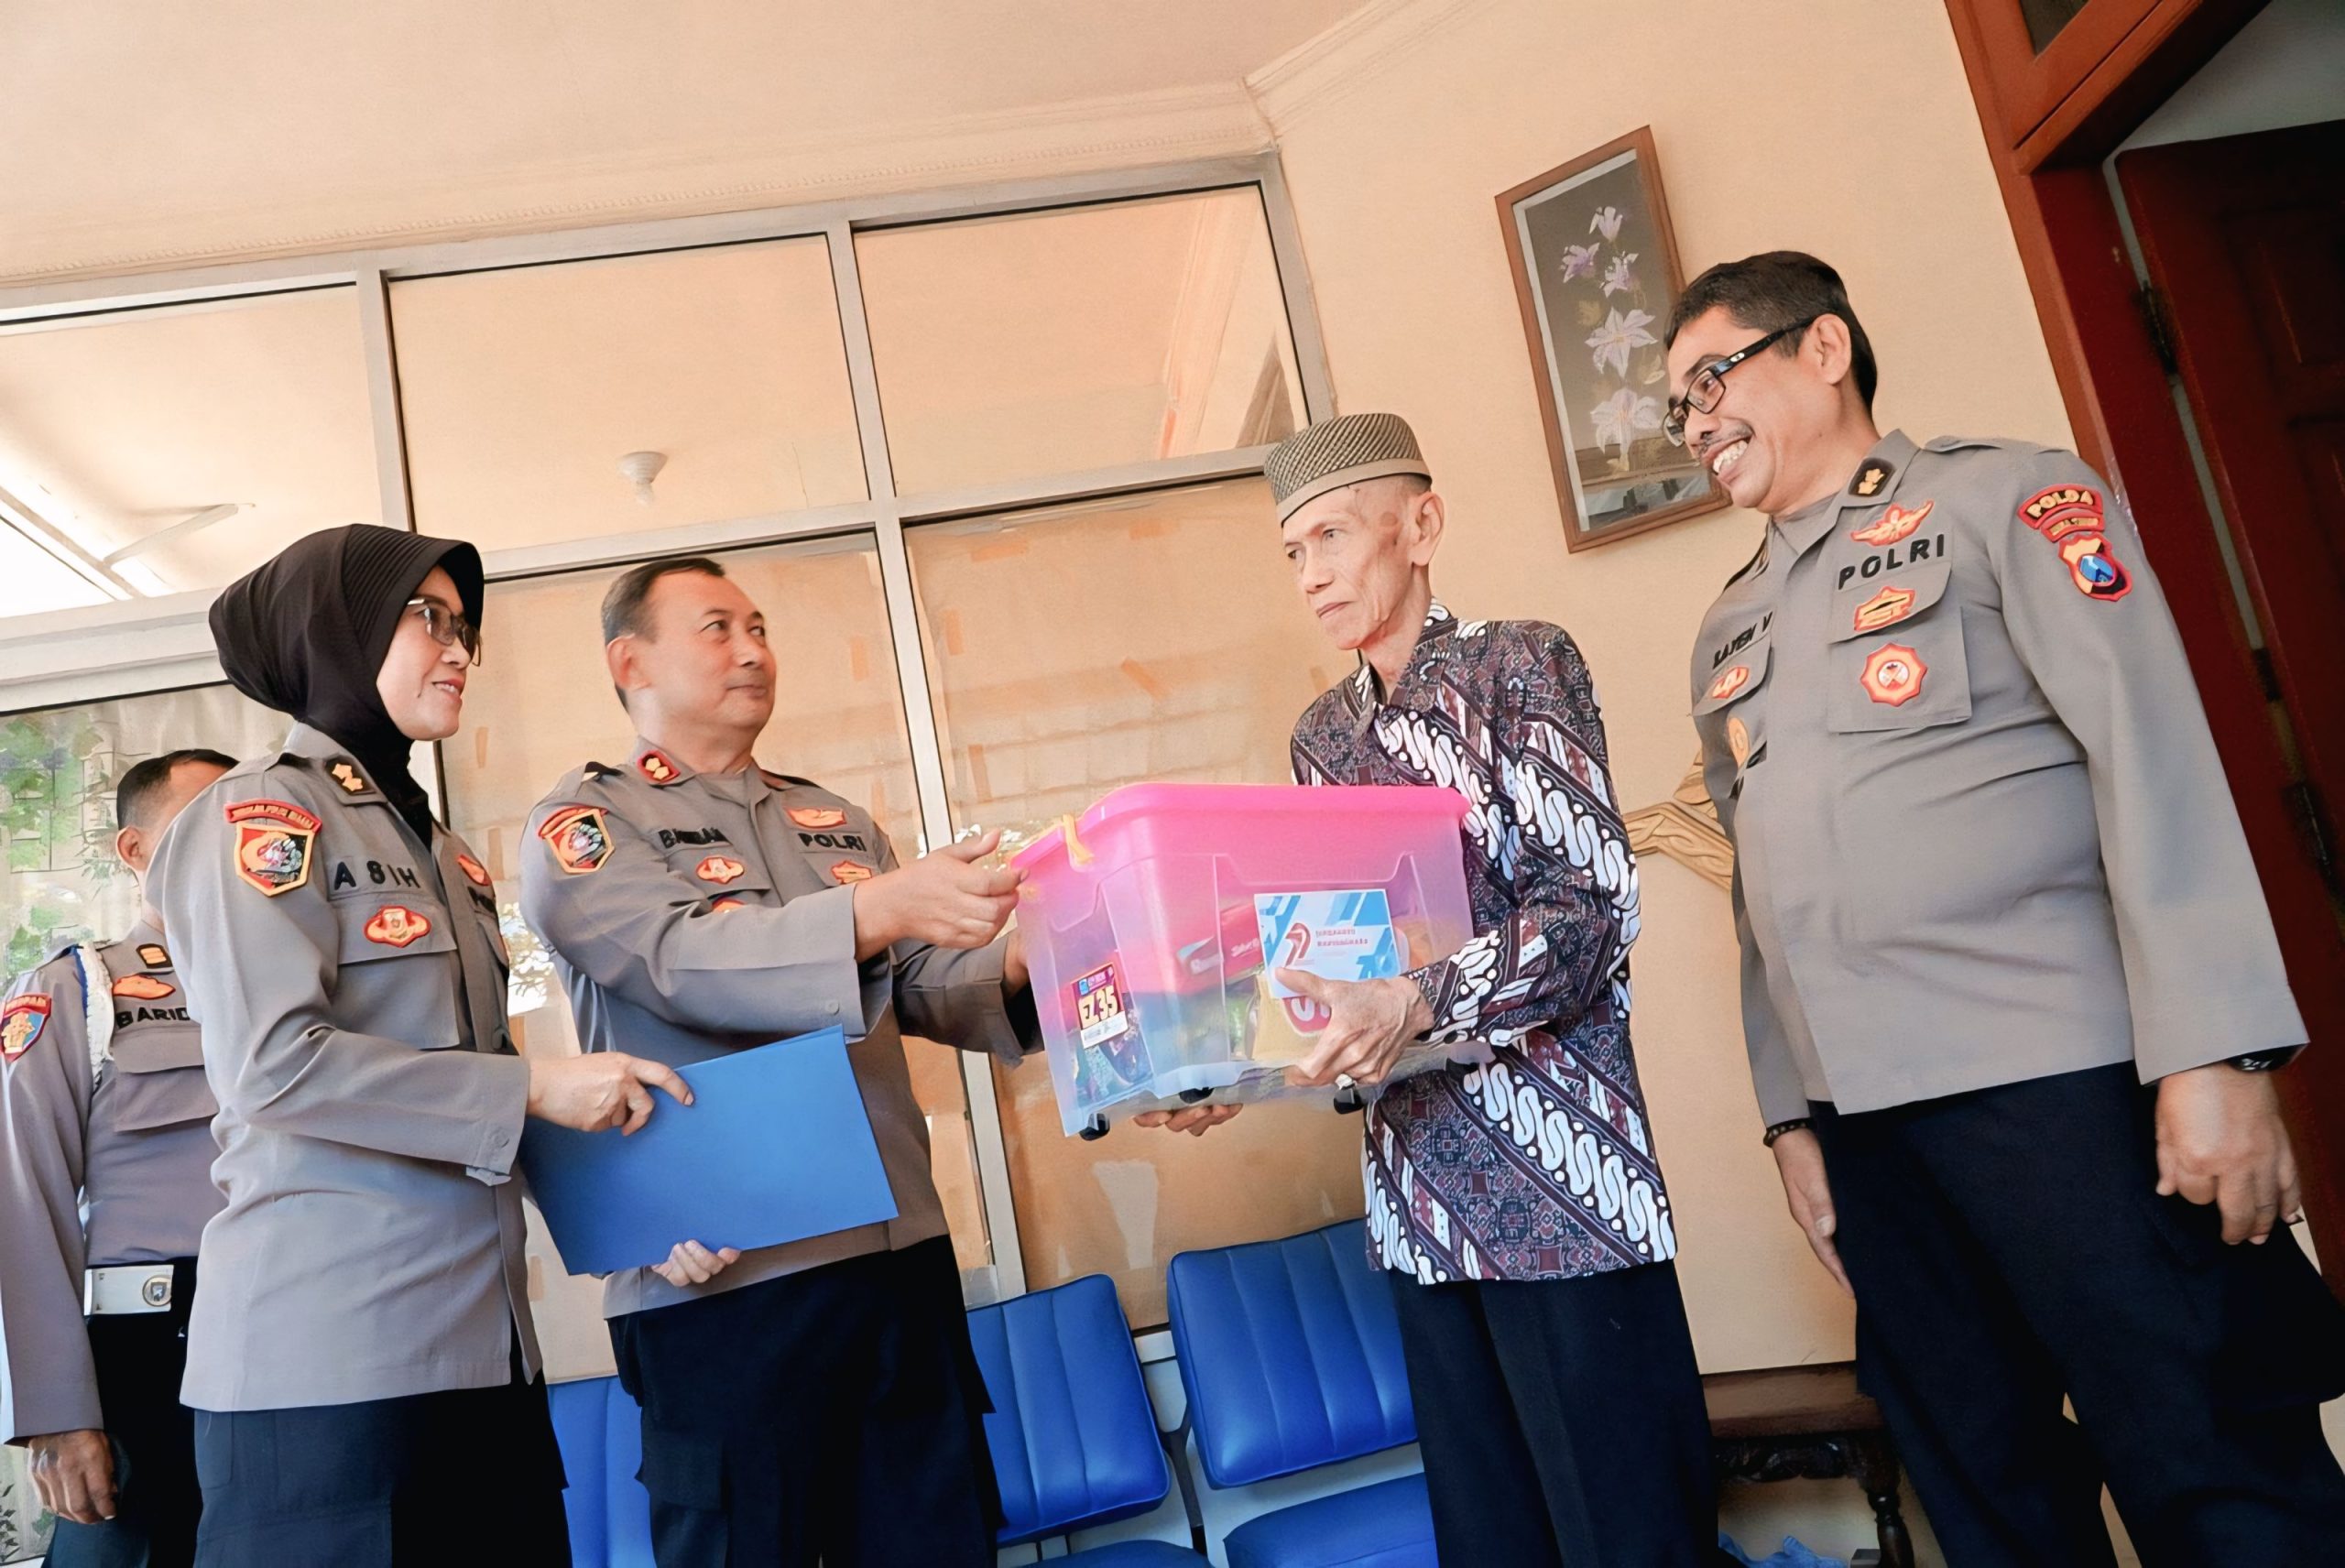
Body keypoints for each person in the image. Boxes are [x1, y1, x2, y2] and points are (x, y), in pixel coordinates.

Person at [1669, 250, 2345, 1563]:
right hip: (1868, 1128)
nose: (1695, 422)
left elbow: (2152, 756)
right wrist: (1791, 1119)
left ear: (1823, 350)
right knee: (1984, 1484)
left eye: (1713, 379)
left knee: (2213, 1461)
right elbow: (1760, 894)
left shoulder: (2009, 499)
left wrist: (2214, 1052)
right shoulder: (1728, 626)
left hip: (2066, 1085)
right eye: (1677, 403)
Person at [1158, 413, 1728, 1566]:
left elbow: (1588, 909)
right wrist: (1238, 1063)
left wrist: (1412, 1001)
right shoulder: (1322, 737)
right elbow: (1339, 958)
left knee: (1629, 1538)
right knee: (1493, 1542)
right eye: (1292, 550)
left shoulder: (1519, 663)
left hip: (1565, 1192)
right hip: (1419, 1207)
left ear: (1419, 526)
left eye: (1330, 535)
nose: (1310, 572)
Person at [150, 525, 691, 1566]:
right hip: (329, 1370)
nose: (457, 648)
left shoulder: (442, 851)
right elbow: (275, 1065)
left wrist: (643, 1221)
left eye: (463, 627)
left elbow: (483, 1093)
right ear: (339, 633)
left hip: (485, 1357)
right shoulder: (256, 815)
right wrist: (534, 1085)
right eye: (427, 617)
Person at [520, 555, 1039, 1568]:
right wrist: (877, 909)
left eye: (758, 626)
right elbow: (680, 962)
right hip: (725, 1283)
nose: (752, 650)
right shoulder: (588, 827)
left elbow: (917, 986)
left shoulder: (833, 821)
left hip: (895, 1259)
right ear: (631, 662)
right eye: (716, 628)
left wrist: (1026, 953)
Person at [1, 749, 233, 1566]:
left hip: (306, 1334)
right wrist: (58, 1414)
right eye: (198, 824)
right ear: (134, 851)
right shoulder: (77, 991)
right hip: (148, 1356)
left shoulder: (314, 992)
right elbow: (22, 1207)